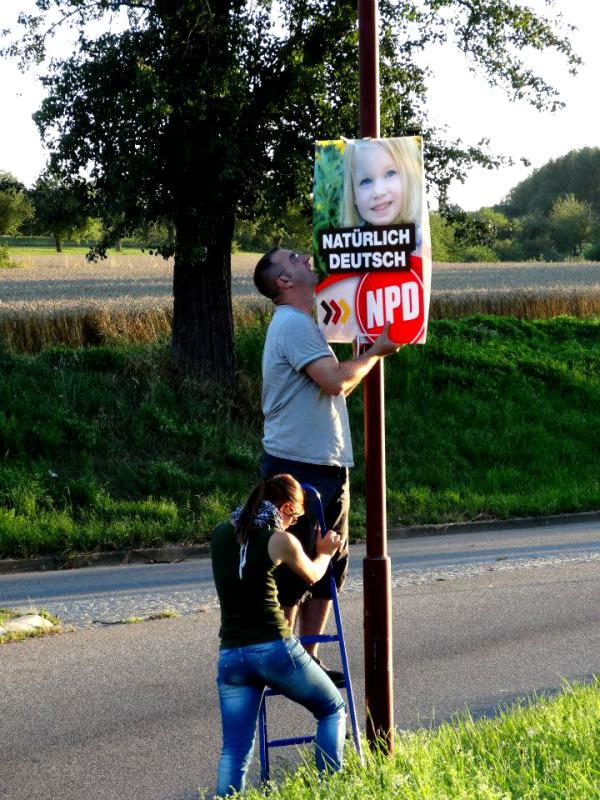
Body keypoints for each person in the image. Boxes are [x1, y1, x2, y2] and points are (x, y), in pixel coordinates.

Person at [253, 247, 400, 681]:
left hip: (325, 462)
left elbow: (336, 388)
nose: (304, 257)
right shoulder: (293, 324)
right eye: (294, 258)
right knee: (295, 564)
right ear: (283, 281)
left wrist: (365, 357)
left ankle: (308, 657)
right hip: (299, 464)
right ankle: (283, 658)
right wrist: (377, 351)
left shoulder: (305, 325)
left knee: (330, 560)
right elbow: (336, 381)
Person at [211, 473, 346, 797]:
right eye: (295, 517)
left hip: (231, 655)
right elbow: (313, 574)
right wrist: (325, 551)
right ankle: (329, 790)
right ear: (285, 507)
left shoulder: (219, 535)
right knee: (332, 709)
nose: (292, 523)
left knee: (234, 752)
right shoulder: (279, 540)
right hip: (273, 648)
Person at [341, 137, 422, 236]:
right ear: (353, 195)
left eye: (390, 173)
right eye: (366, 181)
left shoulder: (420, 241)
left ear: (410, 178)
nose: (379, 192)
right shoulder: (348, 246)